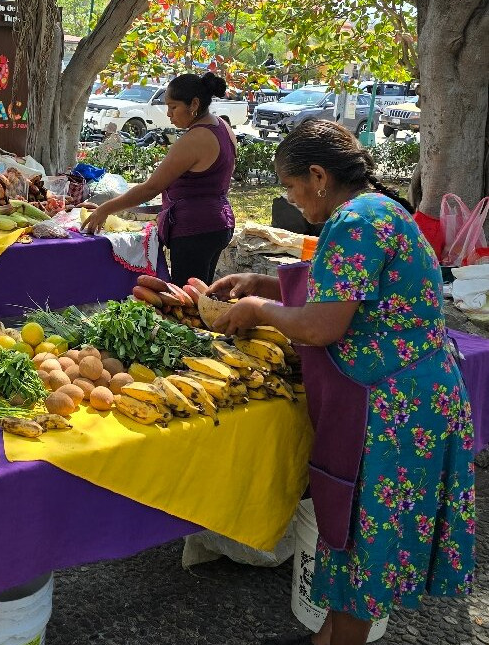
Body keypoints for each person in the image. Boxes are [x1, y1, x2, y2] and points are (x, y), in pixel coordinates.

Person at [210, 120, 475, 645]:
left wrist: (258, 307)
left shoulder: (357, 219)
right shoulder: (373, 211)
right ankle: (327, 635)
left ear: (318, 175)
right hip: (399, 395)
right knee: (350, 537)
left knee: (364, 546)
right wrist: (265, 282)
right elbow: (343, 287)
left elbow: (321, 323)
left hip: (396, 407)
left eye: (289, 187)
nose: (290, 198)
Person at [81, 72, 236, 285]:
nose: (169, 114)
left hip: (195, 230)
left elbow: (150, 188)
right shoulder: (223, 127)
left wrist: (104, 209)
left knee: (186, 302)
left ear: (194, 104)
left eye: (173, 107)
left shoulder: (194, 139)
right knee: (202, 296)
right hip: (219, 223)